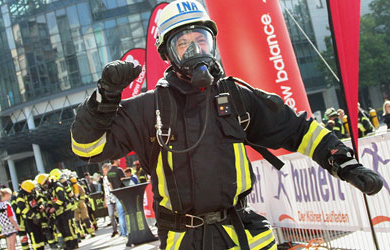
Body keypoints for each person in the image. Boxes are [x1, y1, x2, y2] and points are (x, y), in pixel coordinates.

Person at [70, 0, 384, 249]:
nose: (196, 50)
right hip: (185, 241)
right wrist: (105, 97)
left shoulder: (235, 95)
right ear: (167, 53)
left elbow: (298, 130)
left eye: (201, 40)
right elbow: (86, 148)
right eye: (184, 43)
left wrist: (344, 163)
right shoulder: (147, 108)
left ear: (213, 43)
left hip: (244, 235)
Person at [104, 161, 128, 237]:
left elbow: (110, 185)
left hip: (116, 194)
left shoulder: (109, 173)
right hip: (123, 193)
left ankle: (124, 233)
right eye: (118, 159)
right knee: (126, 213)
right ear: (115, 161)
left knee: (120, 214)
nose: (120, 161)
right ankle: (127, 231)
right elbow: (124, 181)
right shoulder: (119, 170)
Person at [101, 164, 119, 238]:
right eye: (103, 170)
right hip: (109, 199)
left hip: (114, 197)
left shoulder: (111, 176)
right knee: (111, 215)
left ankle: (123, 229)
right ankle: (114, 230)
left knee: (118, 213)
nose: (104, 172)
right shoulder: (104, 178)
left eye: (105, 170)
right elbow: (105, 190)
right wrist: (105, 200)